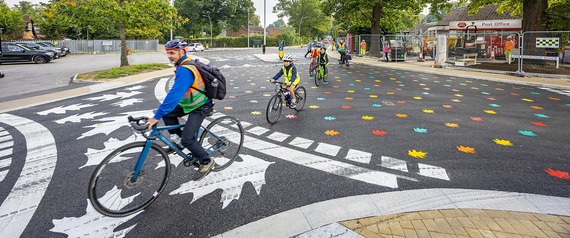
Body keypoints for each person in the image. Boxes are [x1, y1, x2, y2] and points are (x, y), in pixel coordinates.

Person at [145, 39, 215, 176]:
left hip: (201, 105)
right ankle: (178, 140)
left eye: (172, 53)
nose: (169, 56)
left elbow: (174, 96)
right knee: (168, 113)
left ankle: (207, 160)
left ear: (182, 52)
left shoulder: (185, 70)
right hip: (190, 103)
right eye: (168, 53)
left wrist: (156, 117)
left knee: (188, 139)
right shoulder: (182, 64)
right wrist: (161, 113)